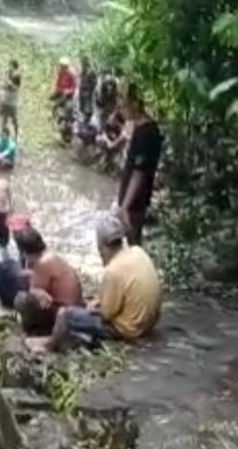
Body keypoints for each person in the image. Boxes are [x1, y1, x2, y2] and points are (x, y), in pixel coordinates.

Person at [36, 213, 161, 352]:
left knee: (65, 315)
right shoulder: (138, 252)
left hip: (130, 330)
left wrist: (92, 308)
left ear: (102, 245)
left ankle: (48, 347)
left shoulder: (113, 271)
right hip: (148, 324)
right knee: (91, 302)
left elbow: (107, 315)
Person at [13, 227, 85, 334]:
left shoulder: (42, 263)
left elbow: (34, 289)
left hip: (64, 315)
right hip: (76, 308)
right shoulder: (51, 256)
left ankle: (36, 330)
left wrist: (36, 291)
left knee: (20, 299)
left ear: (25, 251)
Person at [117, 85, 163, 245]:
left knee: (133, 243)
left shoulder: (147, 133)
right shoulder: (140, 129)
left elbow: (139, 173)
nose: (121, 109)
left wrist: (124, 207)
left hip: (135, 202)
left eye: (123, 105)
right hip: (133, 199)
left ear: (135, 104)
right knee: (131, 242)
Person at [0, 60, 21, 137]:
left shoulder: (17, 76)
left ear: (14, 66)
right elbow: (3, 85)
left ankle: (17, 134)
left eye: (10, 65)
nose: (9, 67)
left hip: (12, 100)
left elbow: (16, 88)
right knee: (4, 117)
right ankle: (2, 133)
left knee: (14, 118)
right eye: (9, 65)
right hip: (5, 99)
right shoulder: (7, 74)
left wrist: (10, 84)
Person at [77, 55, 97, 122]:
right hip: (82, 90)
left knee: (88, 107)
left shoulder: (91, 71)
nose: (83, 63)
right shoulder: (83, 70)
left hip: (88, 91)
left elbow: (94, 82)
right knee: (82, 106)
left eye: (84, 62)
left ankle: (87, 119)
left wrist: (90, 89)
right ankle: (85, 119)